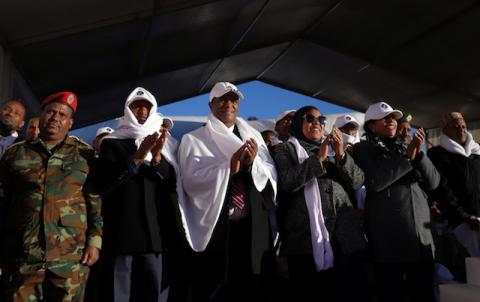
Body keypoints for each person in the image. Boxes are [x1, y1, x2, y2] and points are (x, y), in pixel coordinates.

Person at [177, 82, 278, 302]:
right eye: (222, 99)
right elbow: (191, 181)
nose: (229, 104)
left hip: (253, 228)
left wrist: (251, 166)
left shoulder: (253, 137)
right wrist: (228, 169)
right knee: (219, 289)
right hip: (218, 229)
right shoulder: (193, 139)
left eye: (233, 100)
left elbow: (269, 176)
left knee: (254, 287)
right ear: (211, 104)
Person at [0, 91, 102, 302]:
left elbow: (94, 201)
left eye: (62, 115)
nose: (56, 118)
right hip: (23, 254)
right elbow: (3, 201)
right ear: (42, 115)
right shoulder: (15, 154)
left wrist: (95, 241)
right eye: (51, 112)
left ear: (70, 123)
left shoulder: (84, 155)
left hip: (70, 255)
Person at [95, 87, 181, 302]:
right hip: (122, 234)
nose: (142, 110)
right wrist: (137, 157)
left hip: (156, 236)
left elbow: (172, 183)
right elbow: (104, 185)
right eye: (137, 105)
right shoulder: (112, 143)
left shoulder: (166, 142)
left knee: (154, 293)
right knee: (119, 295)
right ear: (128, 109)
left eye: (147, 106)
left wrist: (158, 156)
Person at [272, 106, 366, 302]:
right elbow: (288, 182)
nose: (317, 123)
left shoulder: (336, 150)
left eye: (321, 120)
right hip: (306, 242)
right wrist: (318, 159)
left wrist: (341, 156)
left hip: (345, 239)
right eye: (310, 118)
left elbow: (358, 181)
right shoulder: (285, 149)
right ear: (298, 123)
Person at [353, 101, 440, 302]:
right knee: (392, 294)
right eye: (385, 117)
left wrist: (419, 155)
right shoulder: (363, 149)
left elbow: (434, 182)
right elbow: (375, 181)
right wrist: (407, 157)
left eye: (393, 117)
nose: (391, 120)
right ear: (371, 125)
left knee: (425, 294)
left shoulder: (405, 146)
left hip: (421, 239)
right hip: (390, 243)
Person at [427, 112, 480, 280]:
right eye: (456, 126)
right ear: (445, 130)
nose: (461, 130)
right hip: (459, 223)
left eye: (463, 126)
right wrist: (464, 217)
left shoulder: (477, 153)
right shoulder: (437, 154)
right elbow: (443, 190)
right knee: (468, 268)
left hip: (478, 220)